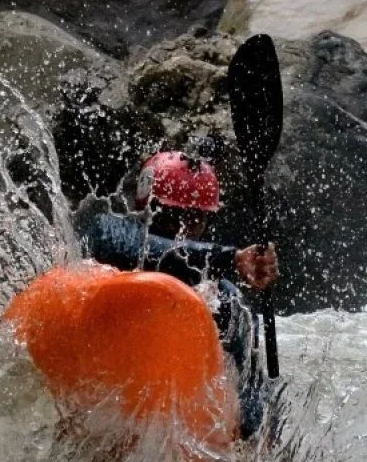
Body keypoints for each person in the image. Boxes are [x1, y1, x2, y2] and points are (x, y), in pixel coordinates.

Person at [74, 151, 279, 439]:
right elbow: (140, 247)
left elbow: (251, 393)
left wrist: (259, 436)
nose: (183, 229)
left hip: (161, 425)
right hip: (96, 390)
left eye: (195, 218)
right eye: (171, 216)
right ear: (146, 208)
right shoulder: (107, 233)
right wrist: (231, 259)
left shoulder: (222, 301)